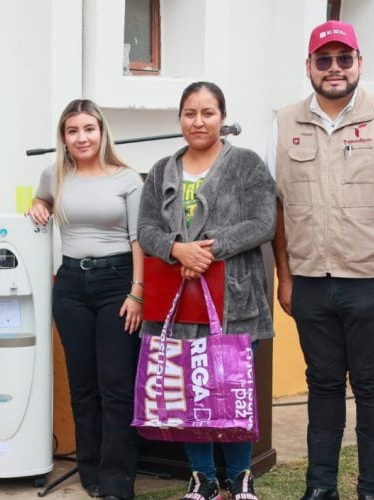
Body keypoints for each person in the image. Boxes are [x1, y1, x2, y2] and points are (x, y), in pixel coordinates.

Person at [265, 21, 374, 500]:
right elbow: (276, 206)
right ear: (310, 68)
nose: (334, 69)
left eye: (344, 59)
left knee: (371, 386)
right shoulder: (282, 124)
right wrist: (285, 276)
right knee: (320, 387)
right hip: (310, 283)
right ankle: (320, 488)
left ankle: (372, 489)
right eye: (324, 60)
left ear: (359, 63)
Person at [137, 81, 276, 500]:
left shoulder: (247, 165)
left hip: (233, 300)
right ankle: (202, 477)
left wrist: (209, 251)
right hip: (177, 302)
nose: (198, 122)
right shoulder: (162, 168)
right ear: (180, 118)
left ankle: (239, 477)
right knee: (191, 392)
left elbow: (263, 222)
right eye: (190, 113)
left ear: (222, 117)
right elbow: (145, 230)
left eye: (208, 113)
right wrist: (176, 249)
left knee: (230, 389)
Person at [26, 99, 143, 500]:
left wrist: (137, 292)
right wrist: (39, 205)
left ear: (101, 131)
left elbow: (138, 239)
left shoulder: (127, 179)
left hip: (118, 284)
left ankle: (117, 480)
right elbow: (42, 201)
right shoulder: (54, 174)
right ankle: (90, 470)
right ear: (64, 137)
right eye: (73, 131)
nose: (82, 137)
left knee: (115, 385)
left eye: (88, 129)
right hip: (72, 285)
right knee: (82, 385)